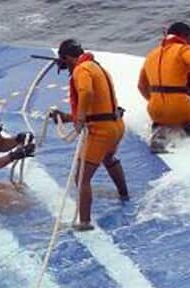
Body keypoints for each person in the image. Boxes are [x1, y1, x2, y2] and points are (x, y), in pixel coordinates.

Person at [49, 39, 130, 231]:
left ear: (68, 57)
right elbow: (99, 108)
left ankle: (84, 222)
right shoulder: (96, 67)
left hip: (101, 131)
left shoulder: (81, 70)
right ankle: (124, 195)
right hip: (116, 126)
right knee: (109, 158)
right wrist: (68, 117)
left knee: (82, 178)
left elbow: (86, 92)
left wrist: (79, 119)